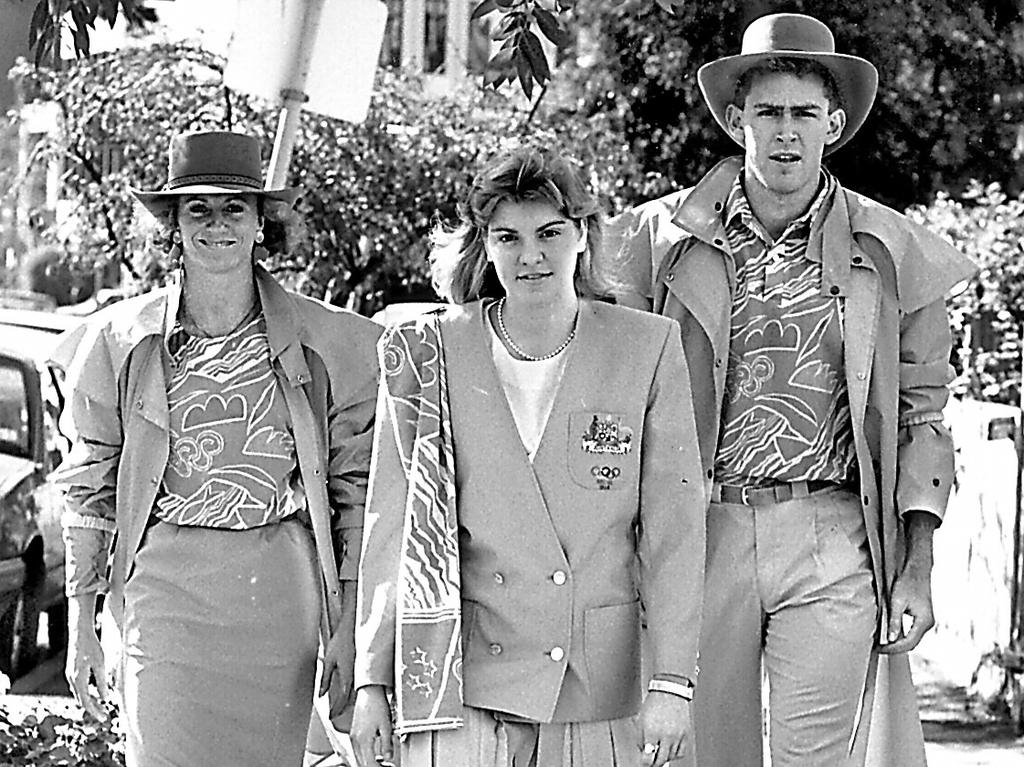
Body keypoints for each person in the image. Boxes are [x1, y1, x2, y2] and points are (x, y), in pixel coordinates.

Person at [611, 13, 977, 767]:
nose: (785, 132)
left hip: (831, 534)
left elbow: (922, 416)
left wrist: (916, 567)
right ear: (736, 120)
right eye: (768, 112)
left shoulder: (890, 248)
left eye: (804, 114)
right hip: (701, 531)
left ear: (833, 124)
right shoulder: (658, 240)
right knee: (702, 756)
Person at [350, 147, 706, 767]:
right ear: (483, 245)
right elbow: (392, 525)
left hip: (596, 683)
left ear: (583, 236)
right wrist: (372, 682)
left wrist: (672, 682)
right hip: (460, 678)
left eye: (549, 234)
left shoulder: (646, 347)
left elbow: (674, 531)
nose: (530, 256)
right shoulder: (428, 352)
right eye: (507, 237)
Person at [53, 131, 382, 766]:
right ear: (173, 227)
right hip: (164, 596)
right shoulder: (122, 342)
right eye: (197, 208)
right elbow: (88, 489)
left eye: (235, 207)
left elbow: (355, 494)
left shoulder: (328, 344)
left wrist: (350, 625)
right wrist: (82, 630)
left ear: (263, 224)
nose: (217, 224)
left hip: (278, 602)